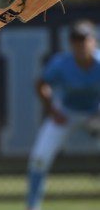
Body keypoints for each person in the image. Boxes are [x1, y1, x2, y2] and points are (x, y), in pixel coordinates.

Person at [26, 19, 100, 210]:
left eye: (85, 39)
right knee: (39, 158)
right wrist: (52, 110)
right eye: (76, 39)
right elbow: (41, 84)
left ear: (94, 41)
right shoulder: (61, 64)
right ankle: (32, 207)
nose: (81, 44)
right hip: (67, 112)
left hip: (96, 112)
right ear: (70, 43)